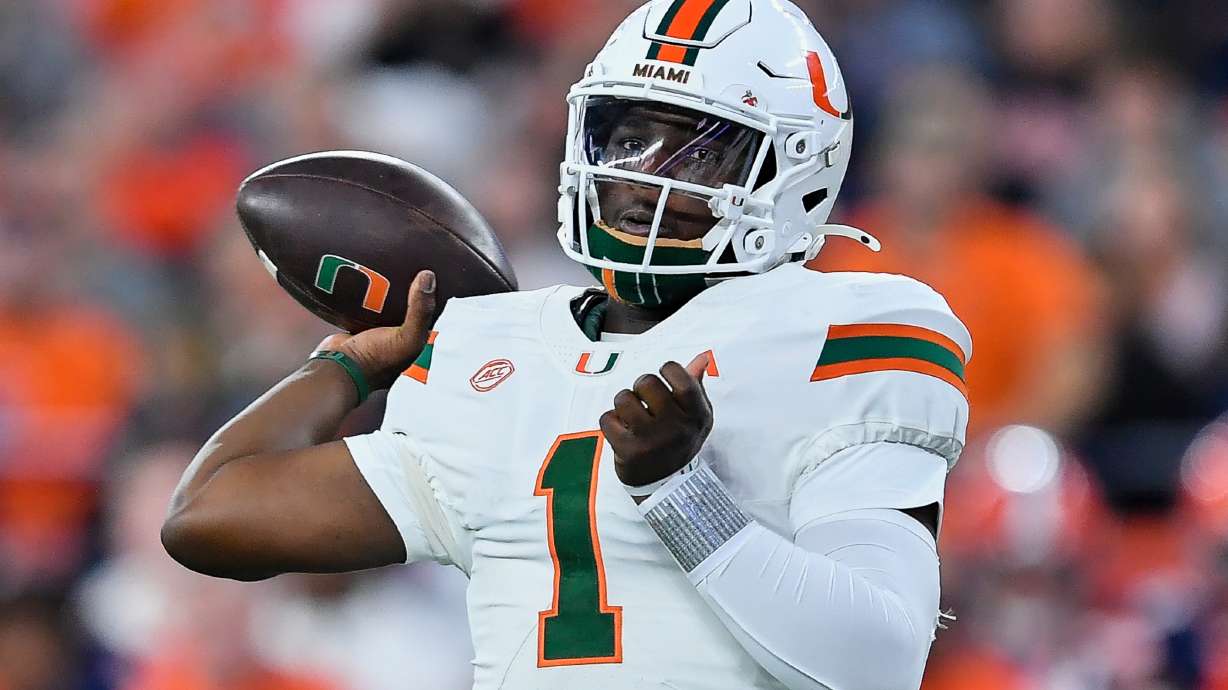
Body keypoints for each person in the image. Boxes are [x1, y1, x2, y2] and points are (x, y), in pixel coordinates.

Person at [162, 2, 971, 688]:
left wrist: (679, 497)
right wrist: (351, 363)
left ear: (798, 171)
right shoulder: (489, 349)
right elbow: (208, 515)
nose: (643, 176)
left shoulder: (842, 329)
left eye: (699, 149)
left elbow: (877, 660)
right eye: (627, 138)